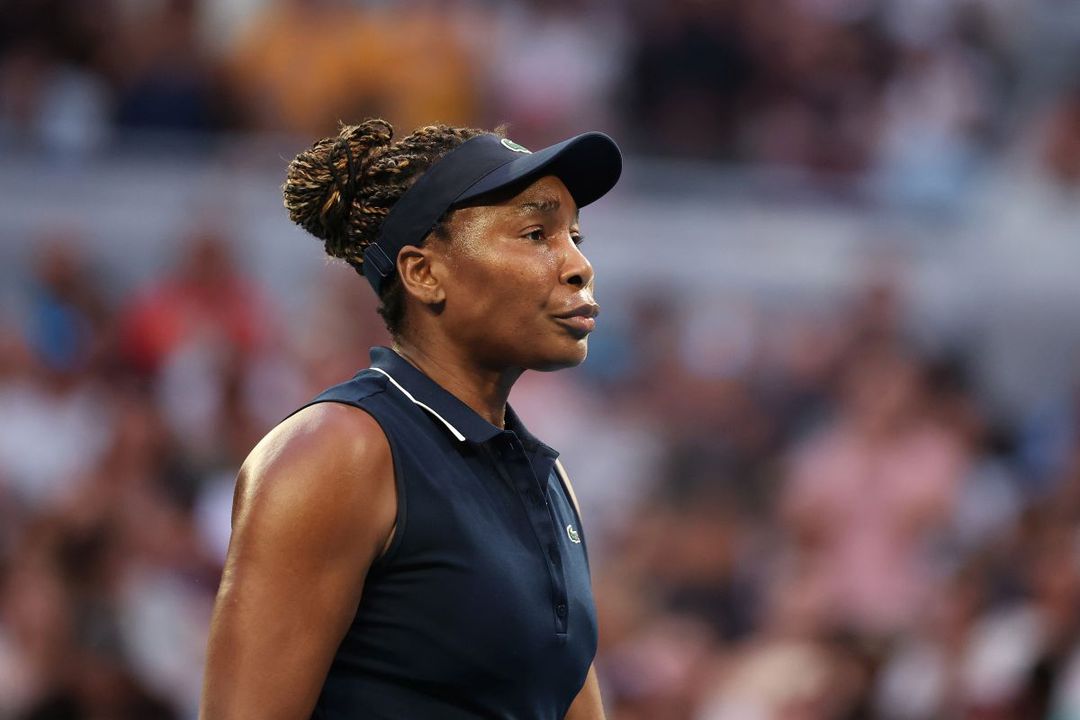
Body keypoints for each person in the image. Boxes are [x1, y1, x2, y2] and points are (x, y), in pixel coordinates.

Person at [199, 118, 622, 719]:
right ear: (424, 274)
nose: (578, 264)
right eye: (536, 233)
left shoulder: (550, 482)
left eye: (574, 235)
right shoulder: (337, 452)